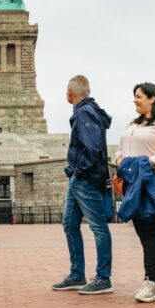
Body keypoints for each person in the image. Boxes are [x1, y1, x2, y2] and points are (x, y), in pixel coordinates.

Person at [52, 75, 114, 295]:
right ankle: (77, 274)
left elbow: (93, 148)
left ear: (70, 92)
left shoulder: (85, 113)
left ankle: (103, 278)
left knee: (98, 226)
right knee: (69, 224)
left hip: (85, 178)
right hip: (79, 178)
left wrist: (78, 173)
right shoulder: (85, 112)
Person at [115, 82, 155, 303]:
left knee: (150, 229)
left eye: (139, 96)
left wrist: (145, 166)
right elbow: (121, 148)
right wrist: (121, 161)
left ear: (152, 98)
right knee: (145, 232)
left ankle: (152, 280)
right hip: (134, 179)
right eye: (135, 97)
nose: (135, 100)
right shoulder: (132, 123)